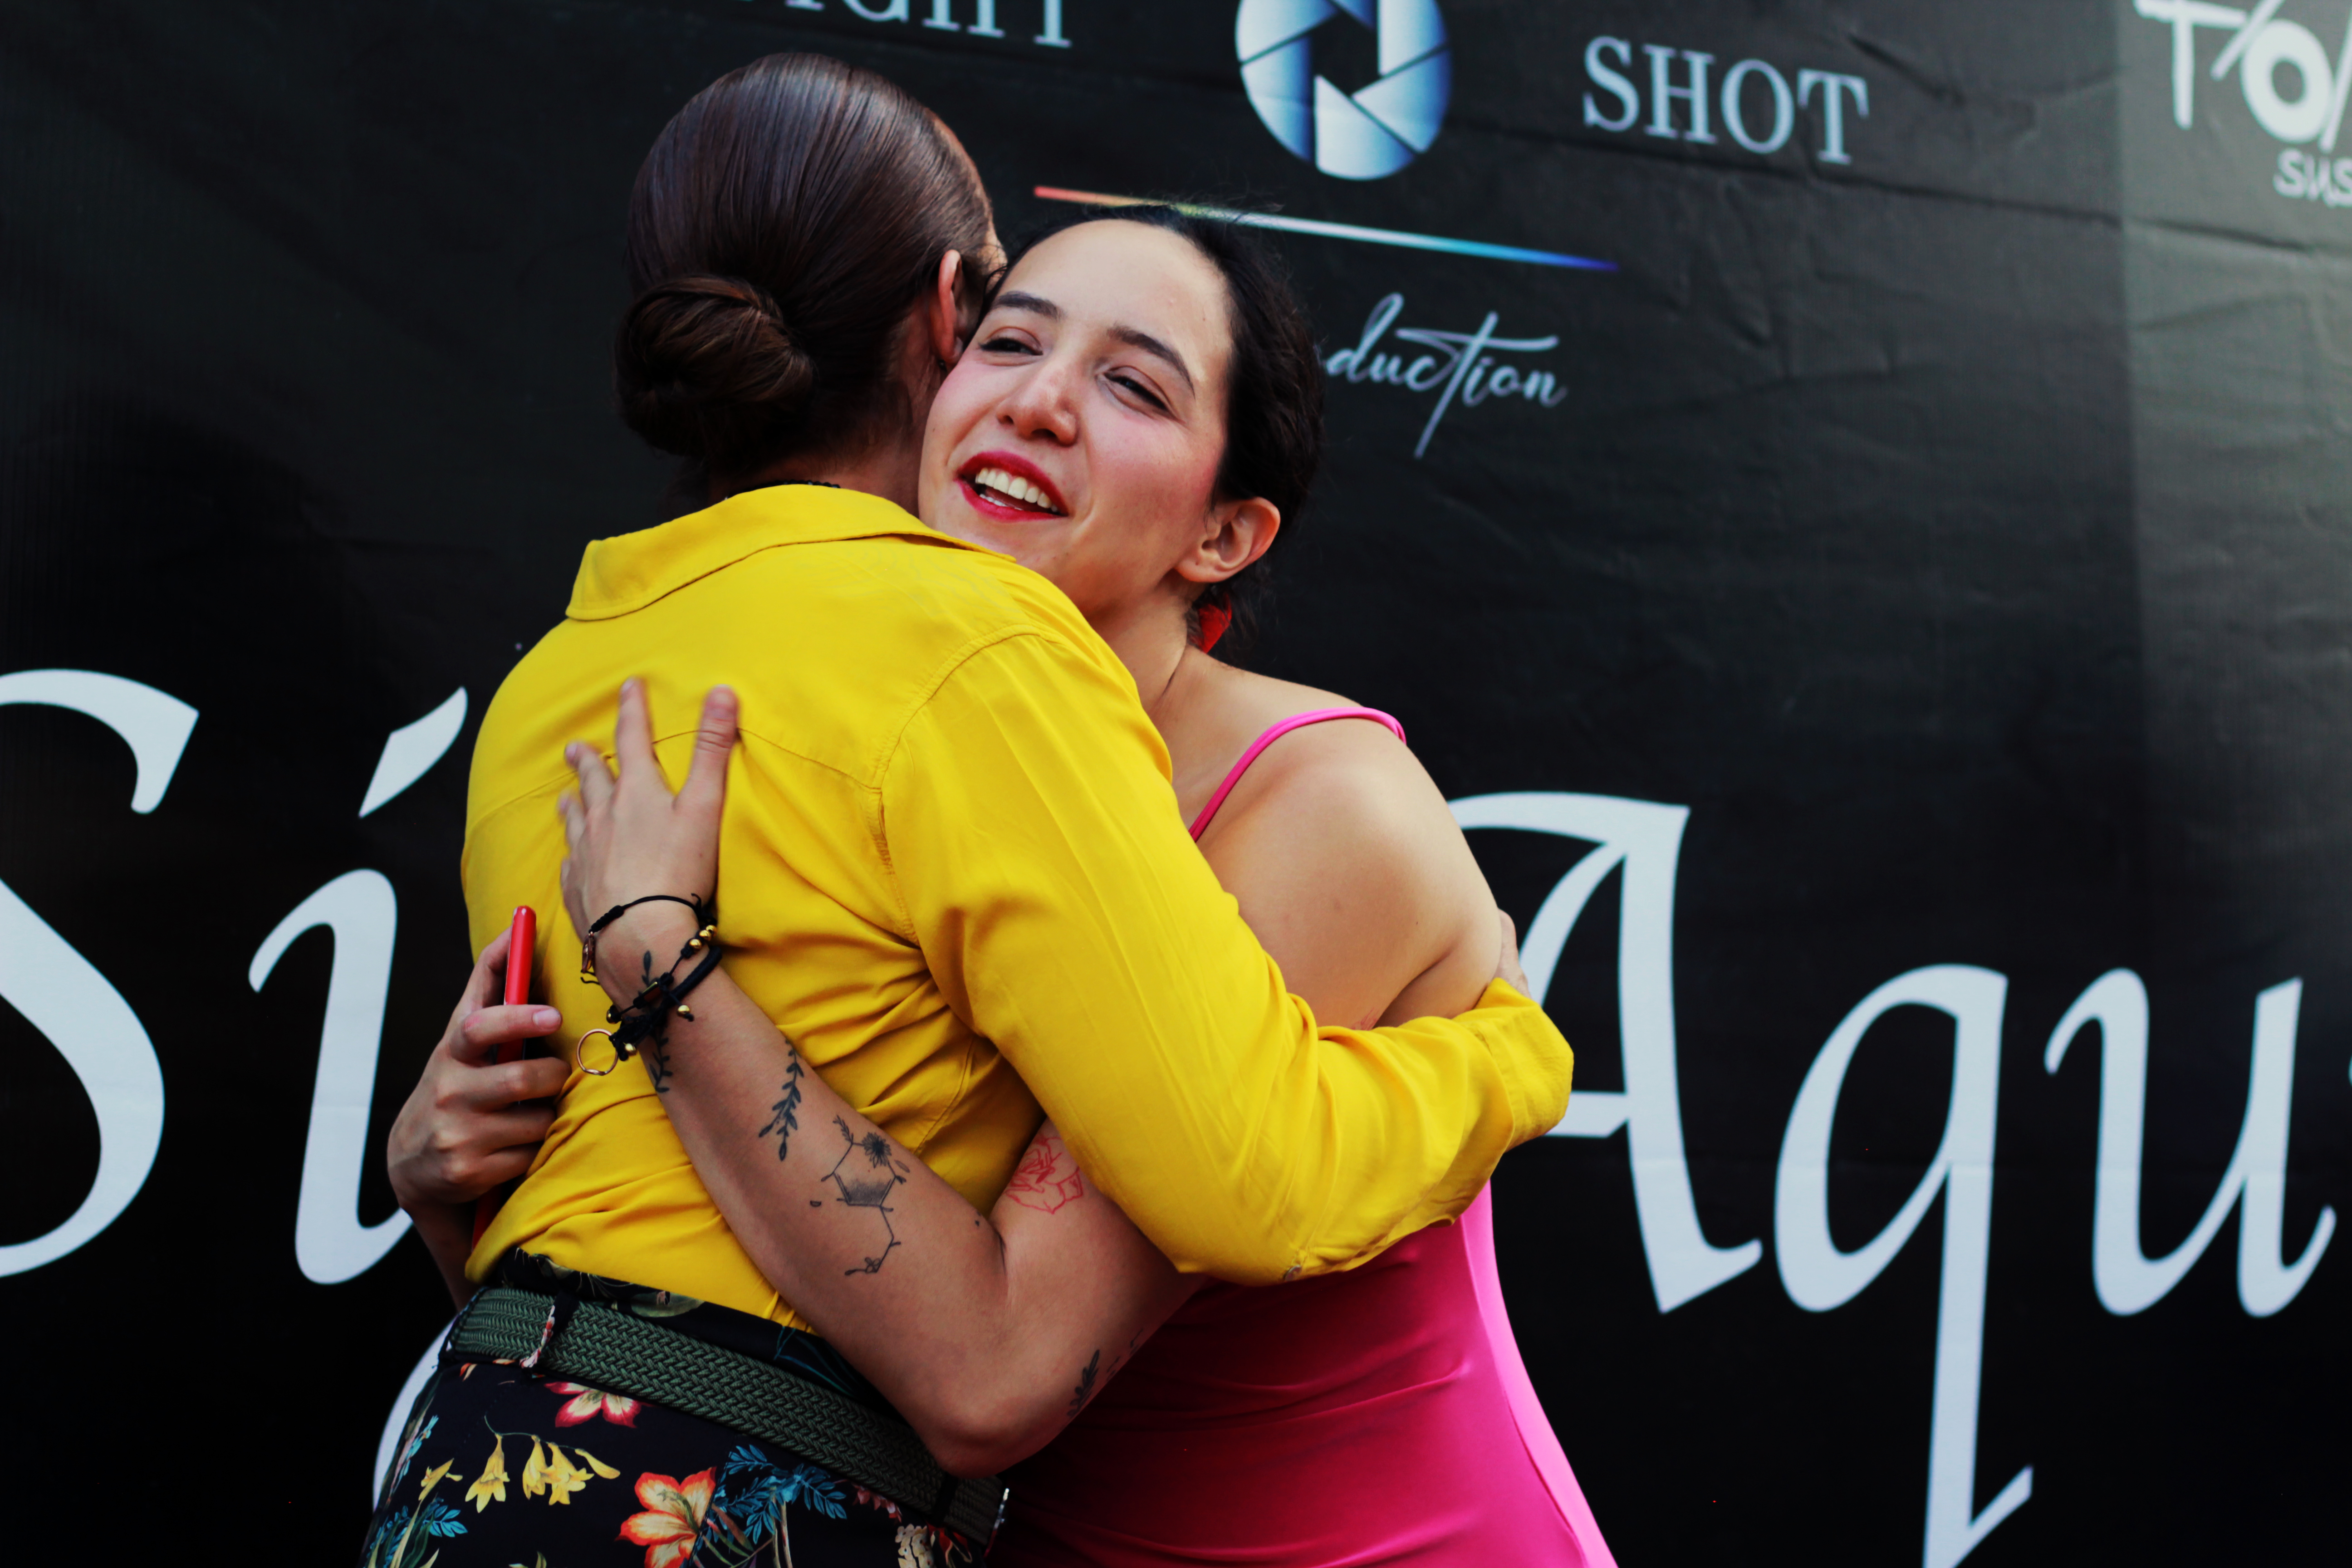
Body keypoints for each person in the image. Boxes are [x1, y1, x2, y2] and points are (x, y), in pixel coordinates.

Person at [371, 52, 1570, 1568]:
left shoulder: (1312, 801)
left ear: (1227, 530)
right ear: (942, 349)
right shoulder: (914, 687)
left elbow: (1001, 1354)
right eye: (1012, 341)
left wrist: (1516, 1051)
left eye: (1135, 384)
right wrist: (444, 1188)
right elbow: (660, 1272)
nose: (1046, 403)